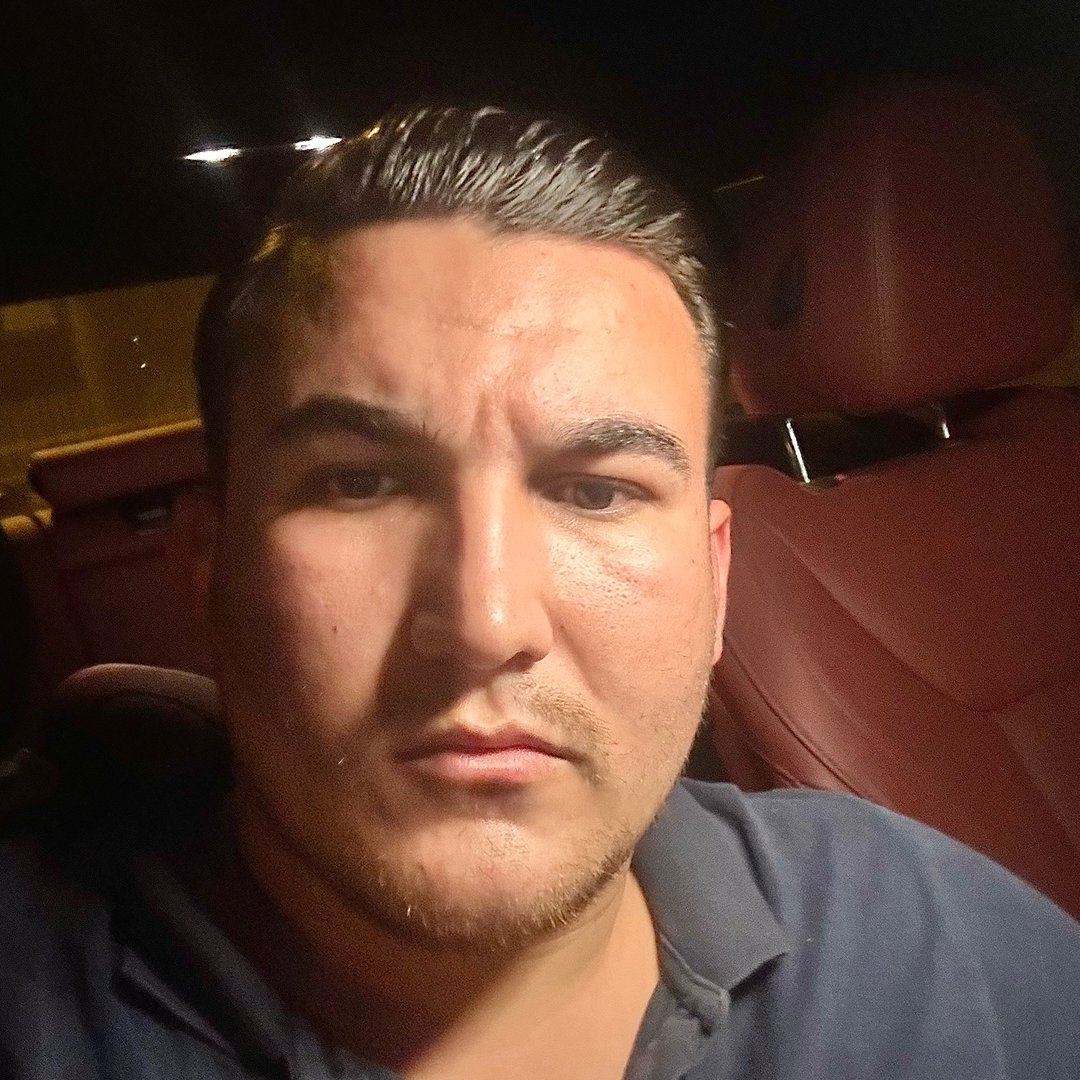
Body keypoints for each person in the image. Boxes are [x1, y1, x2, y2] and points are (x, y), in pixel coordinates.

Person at [2, 104, 1079, 1080]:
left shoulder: (932, 934)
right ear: (207, 575)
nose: (488, 624)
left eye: (598, 492)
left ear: (715, 581)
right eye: (361, 484)